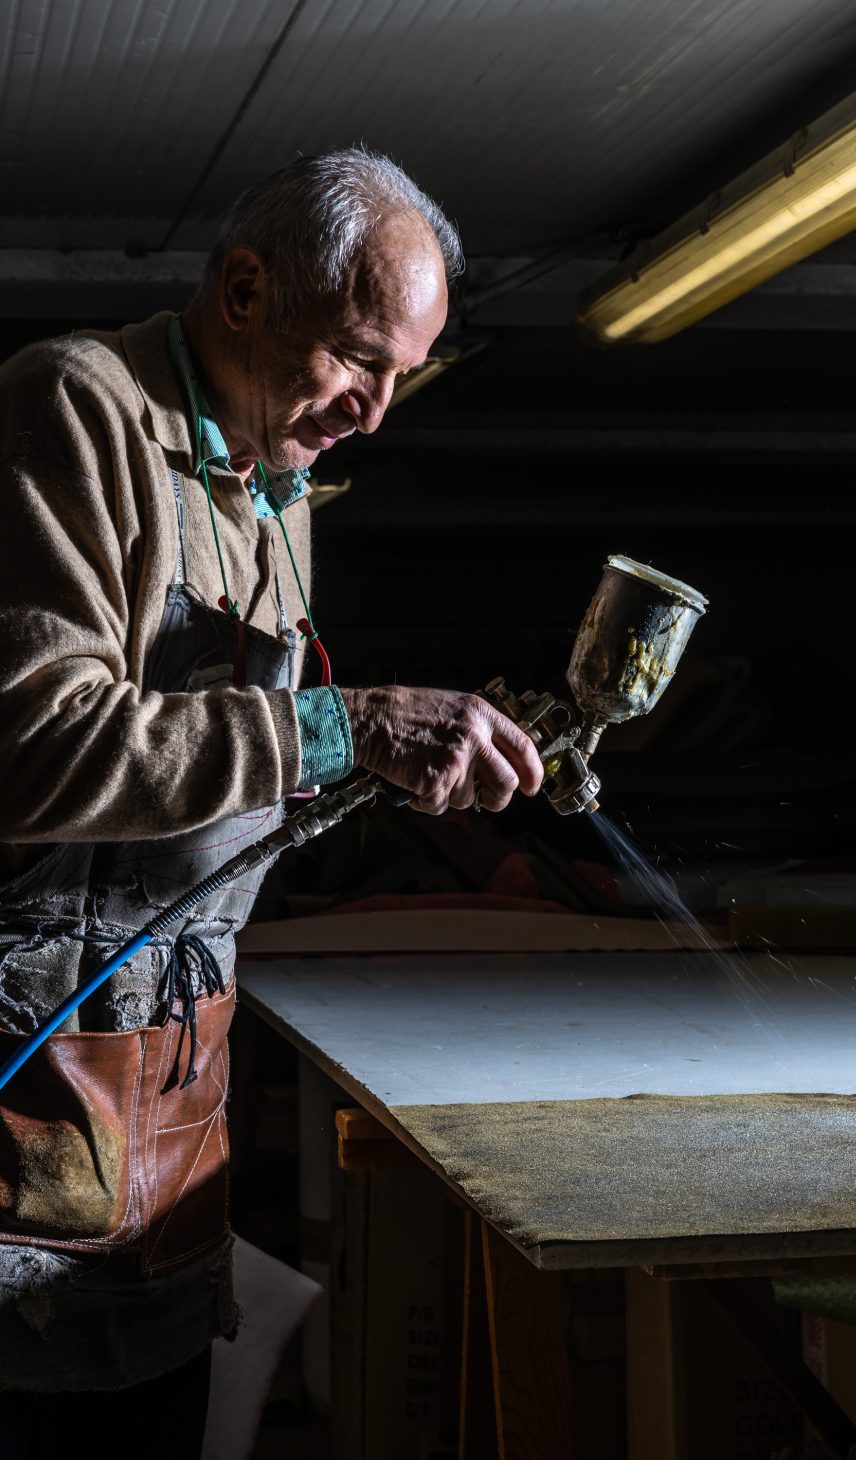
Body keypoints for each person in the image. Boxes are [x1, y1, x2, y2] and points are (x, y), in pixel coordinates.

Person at [0, 148, 543, 1454]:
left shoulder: (275, 487)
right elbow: (32, 748)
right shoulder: (76, 406)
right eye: (356, 358)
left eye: (403, 376)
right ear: (244, 292)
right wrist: (347, 726)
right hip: (25, 1089)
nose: (375, 412)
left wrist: (373, 769)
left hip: (168, 1117)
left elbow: (233, 781)